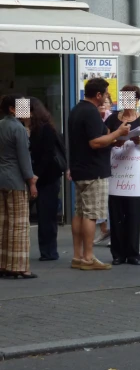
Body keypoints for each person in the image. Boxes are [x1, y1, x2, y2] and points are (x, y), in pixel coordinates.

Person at [69, 78, 130, 271]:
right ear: (98, 95)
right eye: (104, 94)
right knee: (91, 214)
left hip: (80, 168)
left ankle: (78, 255)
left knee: (79, 212)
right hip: (94, 170)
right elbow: (95, 142)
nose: (106, 97)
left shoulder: (76, 110)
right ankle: (88, 257)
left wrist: (112, 141)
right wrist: (118, 133)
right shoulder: (91, 113)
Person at [105, 85, 140, 265]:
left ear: (136, 100)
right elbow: (105, 140)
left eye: (130, 98)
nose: (127, 102)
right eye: (124, 98)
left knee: (134, 213)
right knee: (116, 213)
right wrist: (116, 139)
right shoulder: (113, 119)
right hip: (116, 171)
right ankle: (118, 253)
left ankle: (133, 253)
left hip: (135, 174)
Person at [0, 95, 38, 278]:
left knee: (2, 224)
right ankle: (19, 267)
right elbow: (24, 160)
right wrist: (31, 182)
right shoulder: (19, 129)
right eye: (22, 107)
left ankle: (2, 265)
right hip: (15, 180)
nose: (27, 111)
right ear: (12, 109)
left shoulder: (1, 125)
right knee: (19, 225)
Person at [27, 97, 65, 262]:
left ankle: (49, 251)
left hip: (47, 177)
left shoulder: (45, 129)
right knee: (44, 214)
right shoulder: (28, 129)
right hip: (38, 176)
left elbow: (48, 154)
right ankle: (47, 251)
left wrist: (36, 176)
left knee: (46, 215)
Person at [94, 91, 113, 247]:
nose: (102, 106)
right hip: (98, 164)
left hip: (115, 163)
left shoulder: (112, 119)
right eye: (100, 103)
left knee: (111, 200)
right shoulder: (93, 118)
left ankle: (114, 231)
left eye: (104, 103)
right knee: (101, 200)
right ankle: (104, 229)